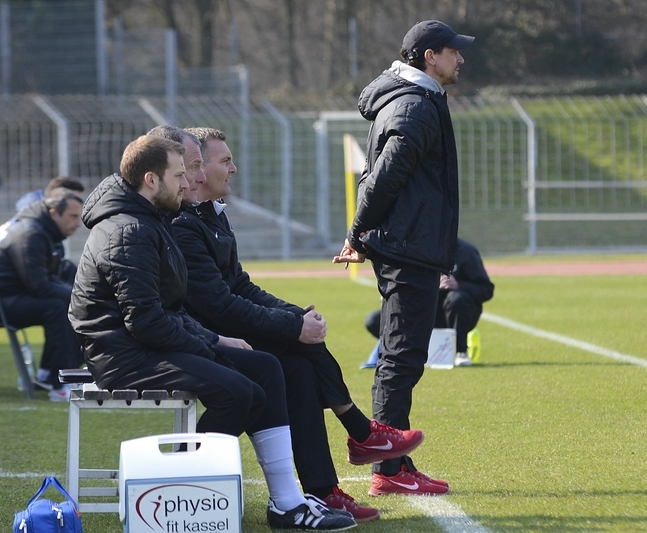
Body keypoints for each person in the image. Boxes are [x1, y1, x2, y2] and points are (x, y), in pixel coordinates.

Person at [67, 136, 355, 531]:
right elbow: (146, 322)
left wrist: (215, 340)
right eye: (179, 175)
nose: (188, 183)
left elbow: (169, 310)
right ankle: (172, 491)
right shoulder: (129, 230)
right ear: (151, 180)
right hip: (122, 356)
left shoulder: (150, 220)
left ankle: (286, 504)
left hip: (143, 344)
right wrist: (211, 342)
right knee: (239, 392)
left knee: (265, 368)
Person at [172, 127, 424, 519]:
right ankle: (360, 431)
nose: (233, 168)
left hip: (224, 330)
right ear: (197, 170)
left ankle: (325, 490)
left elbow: (240, 285)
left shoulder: (212, 217)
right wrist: (292, 327)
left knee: (300, 368)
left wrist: (294, 315)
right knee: (295, 349)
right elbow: (217, 307)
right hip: (209, 338)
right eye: (226, 161)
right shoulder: (184, 225)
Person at [332, 20, 474, 495]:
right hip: (408, 247)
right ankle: (389, 470)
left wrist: (362, 233)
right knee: (401, 356)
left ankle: (393, 463)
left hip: (410, 244)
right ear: (430, 56)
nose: (460, 59)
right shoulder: (414, 106)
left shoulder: (415, 100)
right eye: (453, 51)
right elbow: (384, 178)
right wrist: (357, 232)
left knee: (404, 354)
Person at [0, 188, 84, 400]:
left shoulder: (43, 230)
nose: (78, 223)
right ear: (54, 213)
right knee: (58, 307)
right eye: (73, 216)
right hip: (4, 302)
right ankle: (61, 384)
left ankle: (48, 375)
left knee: (68, 282)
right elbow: (39, 285)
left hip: (13, 296)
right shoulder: (31, 234)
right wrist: (81, 299)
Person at [362, 237, 494, 368]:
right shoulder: (416, 249)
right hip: (422, 310)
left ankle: (460, 351)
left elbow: (486, 289)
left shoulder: (465, 251)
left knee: (456, 299)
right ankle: (404, 352)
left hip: (454, 313)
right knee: (374, 320)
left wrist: (458, 285)